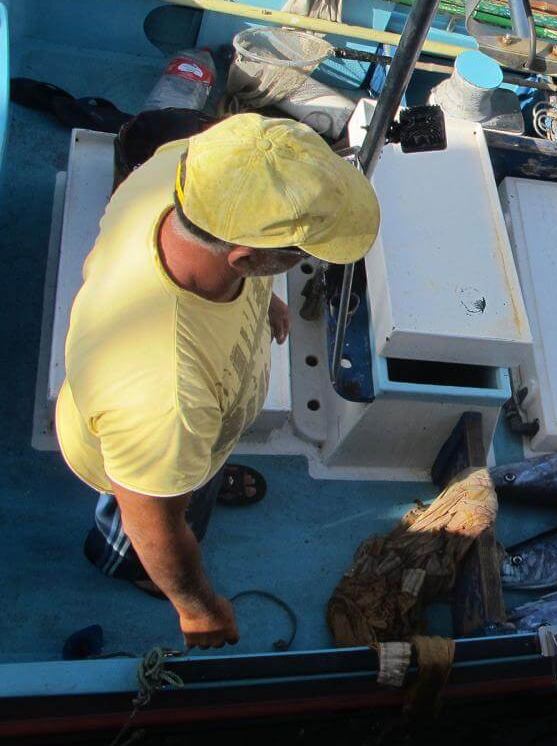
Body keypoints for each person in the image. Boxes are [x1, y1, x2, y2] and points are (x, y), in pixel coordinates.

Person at [55, 114, 380, 649]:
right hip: (139, 465)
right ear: (246, 258)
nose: (305, 262)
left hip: (192, 434)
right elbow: (151, 524)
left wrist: (265, 295)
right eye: (302, 254)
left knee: (191, 479)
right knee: (146, 535)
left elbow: (239, 244)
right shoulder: (166, 399)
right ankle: (130, 566)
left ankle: (195, 483)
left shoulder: (182, 176)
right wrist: (198, 607)